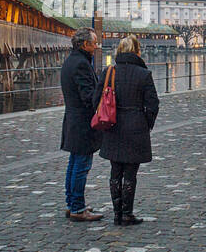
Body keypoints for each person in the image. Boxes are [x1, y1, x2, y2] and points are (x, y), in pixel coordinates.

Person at [98, 36, 159, 225]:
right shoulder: (143, 74)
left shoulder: (109, 72)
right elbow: (153, 104)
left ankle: (117, 213)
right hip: (135, 126)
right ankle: (127, 213)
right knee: (130, 173)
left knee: (115, 171)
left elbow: (96, 99)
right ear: (137, 51)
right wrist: (146, 123)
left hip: (113, 125)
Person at [60, 27, 103, 222]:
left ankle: (72, 204)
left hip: (72, 119)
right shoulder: (81, 64)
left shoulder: (70, 61)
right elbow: (88, 96)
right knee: (81, 166)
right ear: (85, 44)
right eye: (94, 43)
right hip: (82, 122)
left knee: (74, 163)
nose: (96, 46)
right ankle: (78, 207)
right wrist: (102, 93)